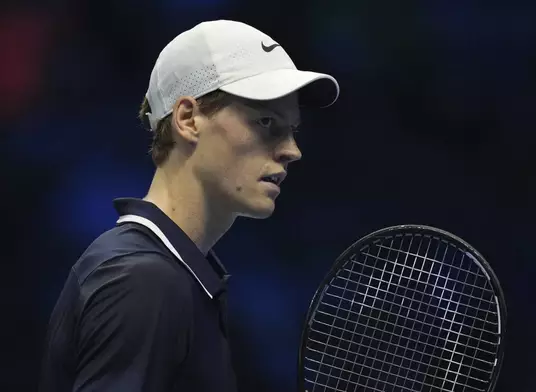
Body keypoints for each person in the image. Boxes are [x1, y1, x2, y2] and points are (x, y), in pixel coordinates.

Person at [38, 19, 339, 392]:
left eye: (293, 129)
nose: (292, 150)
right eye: (266, 122)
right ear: (188, 119)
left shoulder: (169, 274)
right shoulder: (144, 281)